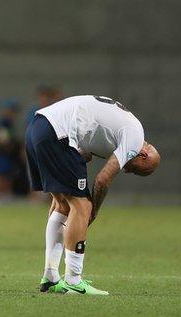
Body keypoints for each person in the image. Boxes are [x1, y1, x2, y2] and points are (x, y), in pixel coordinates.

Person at [26, 95, 160, 295]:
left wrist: (67, 170)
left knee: (61, 203)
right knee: (82, 206)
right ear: (144, 154)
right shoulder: (135, 139)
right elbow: (103, 179)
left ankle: (51, 276)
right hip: (57, 133)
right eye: (137, 170)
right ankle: (73, 280)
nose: (128, 170)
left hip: (37, 128)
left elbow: (83, 153)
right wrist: (93, 210)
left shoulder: (121, 128)